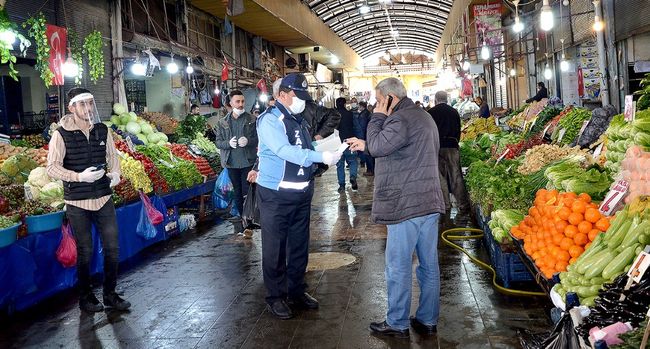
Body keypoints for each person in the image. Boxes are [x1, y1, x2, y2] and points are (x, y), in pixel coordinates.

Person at [347, 77, 445, 338]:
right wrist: (366, 144)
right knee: (428, 265)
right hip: (429, 202)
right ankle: (427, 319)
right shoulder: (422, 116)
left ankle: (397, 322)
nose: (376, 105)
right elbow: (401, 148)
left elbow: (380, 147)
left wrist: (377, 117)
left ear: (391, 98)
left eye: (379, 100)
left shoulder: (398, 118)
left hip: (406, 204)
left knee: (398, 265)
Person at [256, 73, 341, 320]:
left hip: (301, 193)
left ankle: (296, 291)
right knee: (275, 249)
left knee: (299, 247)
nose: (302, 101)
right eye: (297, 96)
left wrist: (328, 149)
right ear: (282, 95)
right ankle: (275, 296)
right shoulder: (270, 120)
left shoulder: (299, 120)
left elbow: (306, 148)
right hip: (276, 195)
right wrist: (320, 158)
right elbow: (284, 151)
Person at [46, 88, 131, 312]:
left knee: (112, 247)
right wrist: (77, 177)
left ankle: (110, 294)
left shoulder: (103, 130)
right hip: (77, 202)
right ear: (71, 107)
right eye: (82, 105)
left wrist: (115, 173)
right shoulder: (60, 134)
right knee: (85, 250)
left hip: (103, 197)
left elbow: (112, 157)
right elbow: (52, 168)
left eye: (90, 103)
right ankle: (86, 298)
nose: (88, 108)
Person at [214, 90, 258, 236]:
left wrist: (249, 141)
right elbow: (218, 142)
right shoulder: (223, 122)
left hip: (247, 162)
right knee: (237, 193)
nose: (240, 104)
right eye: (237, 102)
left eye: (242, 101)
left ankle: (249, 221)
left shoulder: (252, 119)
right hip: (232, 163)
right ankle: (242, 220)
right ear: (230, 103)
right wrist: (228, 143)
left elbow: (259, 139)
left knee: (248, 192)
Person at [428, 91, 471, 220]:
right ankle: (462, 204)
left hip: (436, 147)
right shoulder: (454, 111)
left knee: (440, 177)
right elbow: (458, 129)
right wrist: (455, 142)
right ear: (446, 99)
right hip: (452, 146)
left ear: (436, 99)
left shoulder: (431, 113)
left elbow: (428, 131)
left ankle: (445, 205)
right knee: (456, 175)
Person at [335, 97, 358, 192]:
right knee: (352, 161)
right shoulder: (350, 114)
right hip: (350, 142)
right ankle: (352, 176)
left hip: (337, 144)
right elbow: (356, 127)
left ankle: (342, 186)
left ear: (336, 104)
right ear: (344, 104)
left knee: (340, 165)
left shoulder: (333, 115)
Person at [355, 101, 374, 176]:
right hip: (368, 135)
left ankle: (370, 170)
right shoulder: (367, 113)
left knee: (367, 154)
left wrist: (361, 137)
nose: (358, 107)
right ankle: (371, 169)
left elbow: (362, 127)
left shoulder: (363, 115)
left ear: (362, 106)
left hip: (365, 136)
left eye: (359, 106)